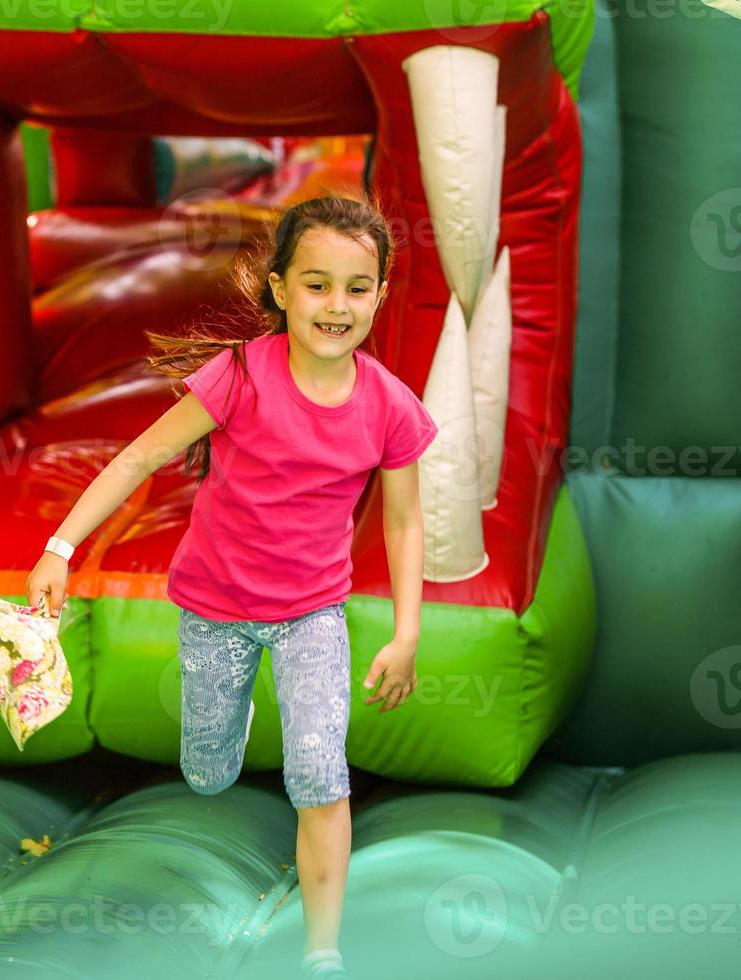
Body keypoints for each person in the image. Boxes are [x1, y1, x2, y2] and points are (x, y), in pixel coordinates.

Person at [26, 195, 437, 979]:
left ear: (381, 296)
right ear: (280, 289)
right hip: (213, 610)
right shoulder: (242, 374)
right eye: (317, 285)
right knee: (208, 770)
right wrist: (59, 547)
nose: (337, 306)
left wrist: (407, 630)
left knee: (320, 772)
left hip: (312, 614)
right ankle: (233, 713)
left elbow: (404, 523)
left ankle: (323, 950)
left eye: (358, 288)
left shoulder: (387, 405)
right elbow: (139, 459)